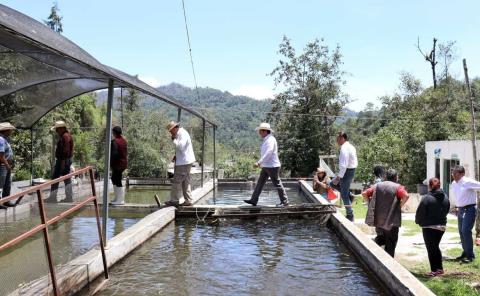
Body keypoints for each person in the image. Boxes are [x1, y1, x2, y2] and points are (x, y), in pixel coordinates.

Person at [363, 169, 409, 257]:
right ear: (396, 177)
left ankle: (375, 251)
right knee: (391, 243)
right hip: (392, 221)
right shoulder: (398, 187)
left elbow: (365, 193)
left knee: (381, 238)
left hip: (378, 220)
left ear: (386, 177)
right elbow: (406, 196)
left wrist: (369, 204)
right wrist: (399, 206)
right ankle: (389, 262)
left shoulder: (377, 186)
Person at [244, 122, 289, 207]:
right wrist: (261, 163)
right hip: (267, 166)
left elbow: (269, 152)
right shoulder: (267, 140)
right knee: (260, 183)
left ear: (265, 131)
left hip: (272, 166)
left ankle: (285, 201)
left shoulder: (270, 140)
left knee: (277, 183)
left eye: (260, 131)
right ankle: (254, 200)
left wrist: (259, 162)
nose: (259, 133)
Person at [415, 177, 450, 276]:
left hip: (429, 227)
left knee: (431, 248)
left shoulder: (426, 198)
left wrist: (418, 221)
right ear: (440, 185)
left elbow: (420, 213)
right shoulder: (446, 197)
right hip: (441, 227)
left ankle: (434, 270)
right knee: (435, 247)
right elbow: (447, 210)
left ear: (430, 186)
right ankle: (439, 269)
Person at [451, 165, 478, 263]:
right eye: (452, 173)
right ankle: (465, 252)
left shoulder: (468, 181)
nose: (453, 175)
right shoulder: (454, 183)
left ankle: (470, 256)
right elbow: (459, 197)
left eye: (455, 173)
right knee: (461, 232)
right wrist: (457, 206)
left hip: (470, 209)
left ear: (462, 174)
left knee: (466, 230)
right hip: (461, 210)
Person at [165, 121, 195, 207]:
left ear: (175, 128)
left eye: (171, 131)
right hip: (185, 161)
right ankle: (188, 200)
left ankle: (174, 201)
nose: (170, 133)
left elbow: (181, 146)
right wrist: (176, 155)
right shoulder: (181, 133)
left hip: (183, 163)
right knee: (185, 181)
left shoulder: (182, 134)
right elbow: (183, 149)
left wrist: (174, 139)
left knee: (176, 181)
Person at [330, 131, 358, 221]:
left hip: (346, 171)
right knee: (332, 184)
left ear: (342, 138)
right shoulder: (351, 146)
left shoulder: (344, 148)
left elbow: (343, 165)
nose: (336, 141)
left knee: (344, 195)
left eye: (337, 139)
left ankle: (350, 215)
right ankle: (350, 195)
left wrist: (338, 178)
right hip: (351, 170)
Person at [46, 121, 74, 203]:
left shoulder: (65, 137)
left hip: (63, 160)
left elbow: (65, 151)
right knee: (66, 179)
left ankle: (53, 198)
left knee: (56, 178)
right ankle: (68, 198)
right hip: (65, 160)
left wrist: (62, 162)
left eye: (57, 129)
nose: (56, 131)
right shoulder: (67, 136)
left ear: (61, 128)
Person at [110, 126, 128, 205]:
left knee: (117, 180)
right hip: (123, 163)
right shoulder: (124, 140)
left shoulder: (115, 141)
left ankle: (120, 200)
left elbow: (114, 154)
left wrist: (111, 163)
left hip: (118, 164)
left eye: (113, 132)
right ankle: (116, 198)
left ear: (114, 133)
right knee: (114, 178)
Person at [0, 122, 17, 209]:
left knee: (7, 184)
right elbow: (1, 155)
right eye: (10, 129)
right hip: (2, 165)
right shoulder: (1, 139)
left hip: (6, 165)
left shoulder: (5, 139)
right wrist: (6, 164)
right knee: (0, 184)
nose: (11, 131)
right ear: (6, 130)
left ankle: (6, 200)